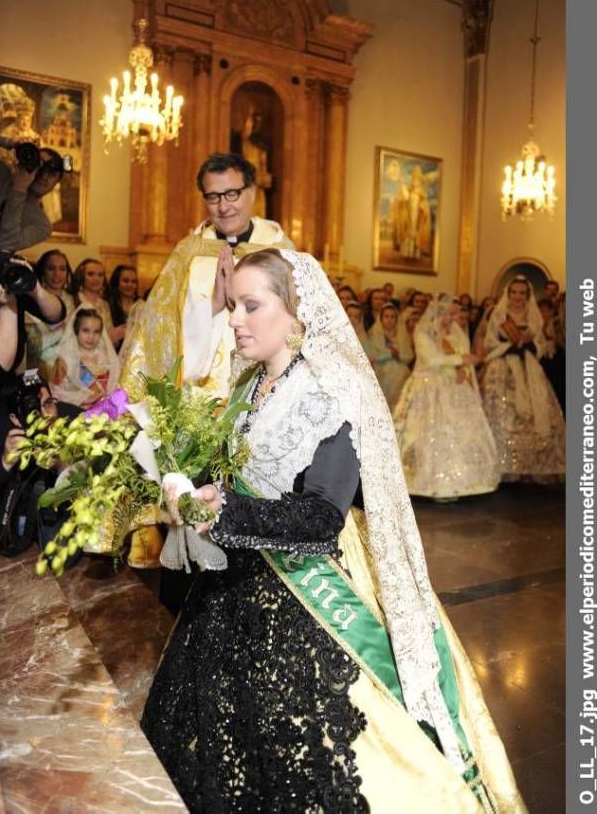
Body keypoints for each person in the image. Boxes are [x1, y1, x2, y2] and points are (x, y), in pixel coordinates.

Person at [141, 249, 525, 812]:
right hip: (234, 590)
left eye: (252, 305)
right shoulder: (247, 385)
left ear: (294, 313)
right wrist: (186, 486)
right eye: (234, 305)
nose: (237, 319)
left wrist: (221, 515)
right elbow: (232, 474)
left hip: (310, 593)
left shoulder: (330, 392)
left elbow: (322, 518)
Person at [120, 152, 294, 399]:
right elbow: (161, 331)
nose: (223, 207)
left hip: (265, 390)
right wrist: (211, 306)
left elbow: (297, 326)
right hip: (199, 396)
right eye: (213, 197)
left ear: (252, 192)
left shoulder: (280, 251)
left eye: (232, 194)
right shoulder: (189, 253)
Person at [393, 295, 499, 500]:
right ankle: (425, 481)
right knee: (426, 433)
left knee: (456, 432)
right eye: (449, 314)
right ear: (438, 312)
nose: (453, 318)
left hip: (453, 387)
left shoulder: (455, 333)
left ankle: (458, 482)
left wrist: (463, 368)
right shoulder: (422, 332)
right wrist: (460, 360)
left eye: (455, 314)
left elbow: (463, 355)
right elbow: (431, 359)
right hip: (427, 387)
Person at [482, 276, 565, 482]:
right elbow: (489, 342)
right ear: (508, 294)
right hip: (503, 367)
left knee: (536, 414)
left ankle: (529, 467)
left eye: (522, 293)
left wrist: (531, 346)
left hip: (529, 368)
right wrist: (508, 346)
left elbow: (541, 344)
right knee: (505, 412)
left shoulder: (534, 316)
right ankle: (504, 467)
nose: (518, 297)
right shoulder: (499, 315)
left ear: (527, 295)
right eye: (514, 293)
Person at [0, 255, 65, 391]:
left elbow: (57, 314)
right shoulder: (8, 305)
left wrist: (37, 290)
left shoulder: (5, 268)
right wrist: (8, 307)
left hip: (15, 377)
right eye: (51, 268)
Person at [0, 139, 68, 251]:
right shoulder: (1, 172)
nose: (44, 176)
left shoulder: (42, 226)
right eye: (39, 167)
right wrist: (10, 143)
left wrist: (19, 188)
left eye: (52, 173)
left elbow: (6, 244)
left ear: (56, 183)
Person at [50, 305, 120, 408]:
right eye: (85, 331)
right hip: (77, 412)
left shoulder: (106, 356)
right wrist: (82, 399)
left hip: (107, 409)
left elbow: (114, 383)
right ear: (76, 331)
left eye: (96, 332)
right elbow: (55, 392)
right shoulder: (65, 360)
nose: (91, 337)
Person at [25, 249, 75, 381]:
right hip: (35, 372)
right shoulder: (31, 301)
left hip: (69, 369)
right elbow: (33, 347)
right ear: (42, 272)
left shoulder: (73, 300)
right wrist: (63, 330)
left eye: (62, 269)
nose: (57, 274)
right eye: (51, 268)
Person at [367, 302, 413, 407]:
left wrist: (398, 355)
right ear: (381, 318)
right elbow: (371, 356)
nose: (389, 320)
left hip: (401, 370)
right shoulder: (374, 333)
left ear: (397, 319)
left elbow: (409, 356)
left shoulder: (402, 334)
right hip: (380, 369)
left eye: (393, 317)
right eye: (386, 316)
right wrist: (389, 355)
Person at [105, 264, 139, 351]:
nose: (130, 285)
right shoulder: (108, 305)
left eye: (133, 282)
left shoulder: (141, 305)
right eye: (125, 281)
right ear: (117, 282)